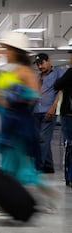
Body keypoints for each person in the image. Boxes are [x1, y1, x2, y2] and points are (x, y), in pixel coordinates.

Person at [0, 32, 56, 215]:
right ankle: (13, 201)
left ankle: (6, 202)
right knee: (13, 168)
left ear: (15, 50)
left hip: (18, 128)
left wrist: (12, 97)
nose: (3, 50)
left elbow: (33, 95)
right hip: (8, 125)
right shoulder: (9, 69)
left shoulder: (23, 71)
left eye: (6, 47)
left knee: (15, 169)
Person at [33, 53, 64, 173]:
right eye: (38, 64)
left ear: (48, 61)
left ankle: (37, 166)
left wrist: (54, 107)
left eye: (42, 63)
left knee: (42, 139)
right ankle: (48, 166)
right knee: (42, 139)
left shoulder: (58, 72)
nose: (40, 67)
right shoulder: (38, 77)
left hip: (49, 111)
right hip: (36, 111)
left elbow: (61, 91)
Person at [54, 50, 72, 186]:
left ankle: (69, 177)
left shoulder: (70, 73)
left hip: (69, 114)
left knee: (70, 145)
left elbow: (57, 85)